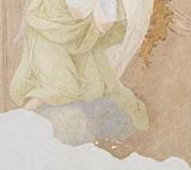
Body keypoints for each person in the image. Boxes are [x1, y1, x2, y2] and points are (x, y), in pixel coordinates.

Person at [11, 0, 150, 132]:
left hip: (79, 42)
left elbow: (104, 25)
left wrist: (98, 10)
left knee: (97, 86)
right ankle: (20, 119)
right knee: (64, 87)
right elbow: (76, 13)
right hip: (48, 38)